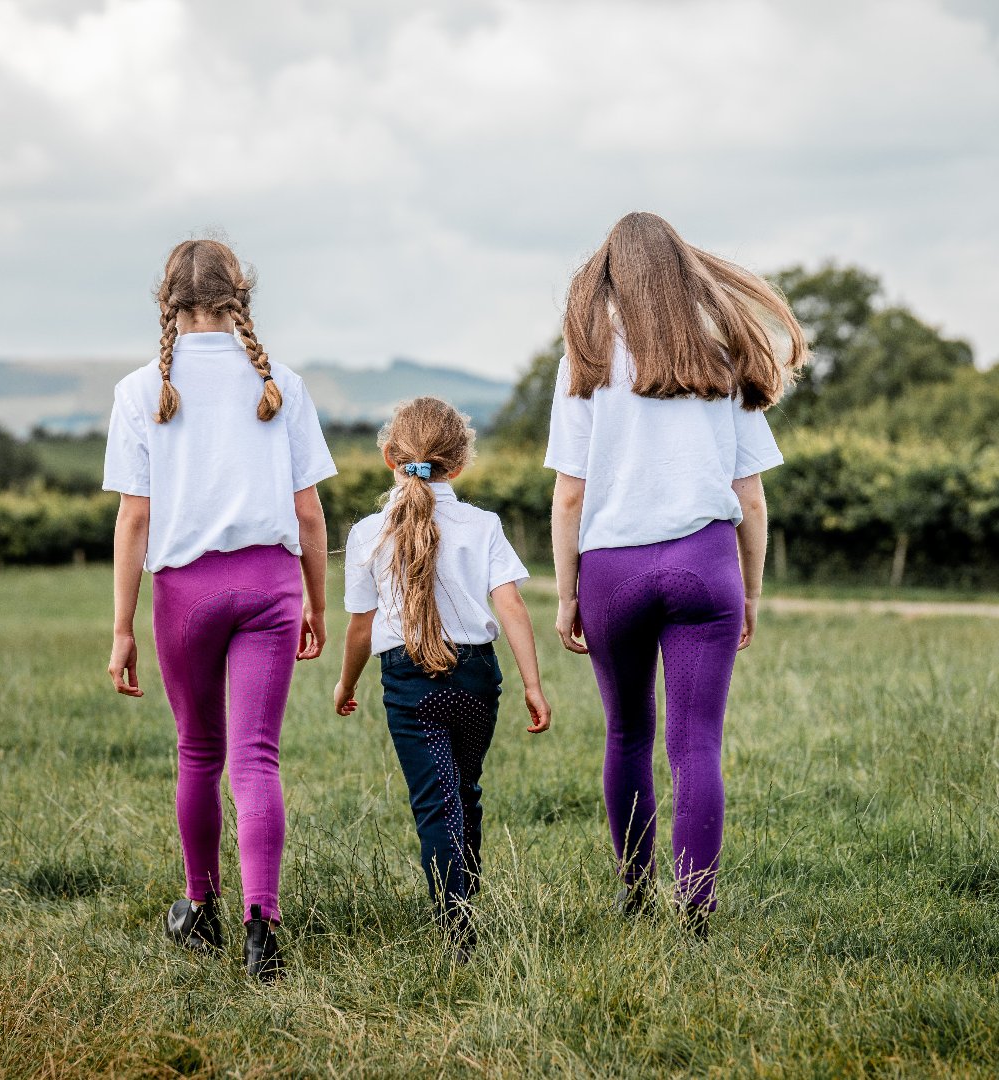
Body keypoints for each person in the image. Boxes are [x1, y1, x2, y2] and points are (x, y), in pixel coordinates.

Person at [546, 212, 807, 935]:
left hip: (612, 573)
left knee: (626, 733)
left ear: (609, 274)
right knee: (698, 746)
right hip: (705, 564)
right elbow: (750, 494)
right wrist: (750, 590)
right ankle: (695, 908)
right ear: (682, 270)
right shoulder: (719, 355)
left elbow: (570, 493)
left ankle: (634, 892)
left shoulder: (585, 360)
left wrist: (567, 593)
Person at [103, 238, 336, 980]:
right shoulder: (283, 385)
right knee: (256, 758)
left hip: (184, 595)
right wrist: (316, 603)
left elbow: (135, 522)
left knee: (200, 754)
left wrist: (120, 629)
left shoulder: (141, 390)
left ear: (166, 300)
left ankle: (199, 908)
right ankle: (261, 927)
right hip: (270, 587)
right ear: (241, 296)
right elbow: (308, 515)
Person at [335, 397, 551, 956]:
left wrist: (347, 682)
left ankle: (457, 928)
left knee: (437, 801)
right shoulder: (483, 525)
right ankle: (466, 899)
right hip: (478, 675)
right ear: (458, 464)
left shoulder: (367, 533)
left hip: (407, 678)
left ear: (389, 456)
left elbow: (361, 628)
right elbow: (511, 607)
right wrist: (532, 683)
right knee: (466, 789)